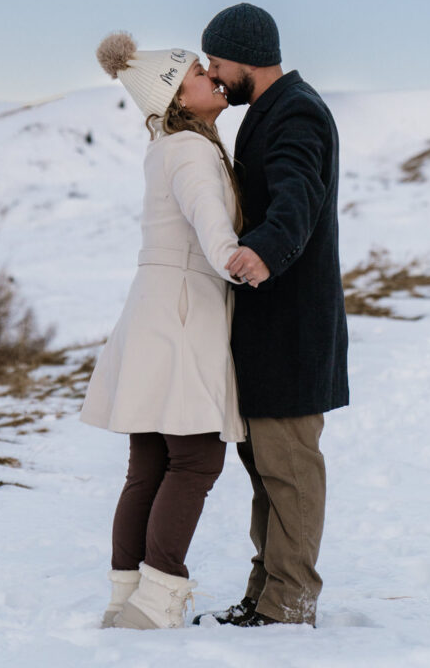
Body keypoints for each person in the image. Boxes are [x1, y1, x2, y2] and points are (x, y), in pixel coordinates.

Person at [80, 31, 257, 631]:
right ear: (178, 101)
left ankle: (124, 598)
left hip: (154, 307)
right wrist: (238, 260)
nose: (213, 77)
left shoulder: (166, 144)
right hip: (183, 311)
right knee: (196, 459)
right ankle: (156, 602)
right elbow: (207, 214)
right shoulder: (189, 150)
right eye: (199, 77)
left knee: (150, 462)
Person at [193, 2, 349, 628]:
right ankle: (266, 594)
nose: (213, 73)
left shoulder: (296, 111)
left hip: (292, 330)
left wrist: (263, 249)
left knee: (289, 472)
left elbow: (297, 196)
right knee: (266, 474)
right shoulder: (269, 111)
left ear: (246, 56)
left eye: (217, 61)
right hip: (267, 332)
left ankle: (290, 603)